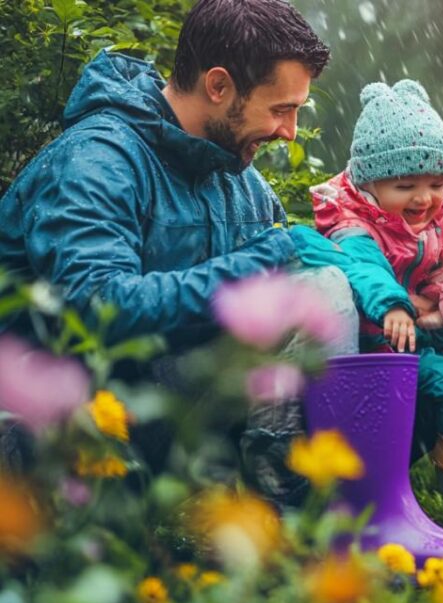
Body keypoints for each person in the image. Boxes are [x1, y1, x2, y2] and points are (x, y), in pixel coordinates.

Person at [0, 0, 356, 501]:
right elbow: (98, 307)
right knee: (316, 291)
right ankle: (299, 530)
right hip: (52, 427)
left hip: (155, 419)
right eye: (280, 109)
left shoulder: (243, 184)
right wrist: (261, 261)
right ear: (218, 86)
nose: (289, 131)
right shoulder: (96, 160)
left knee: (363, 312)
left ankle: (313, 516)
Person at [309, 79, 443, 493]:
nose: (424, 198)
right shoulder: (353, 224)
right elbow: (364, 268)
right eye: (405, 186)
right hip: (375, 340)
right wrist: (392, 304)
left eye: (436, 184)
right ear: (368, 185)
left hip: (419, 327)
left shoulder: (435, 219)